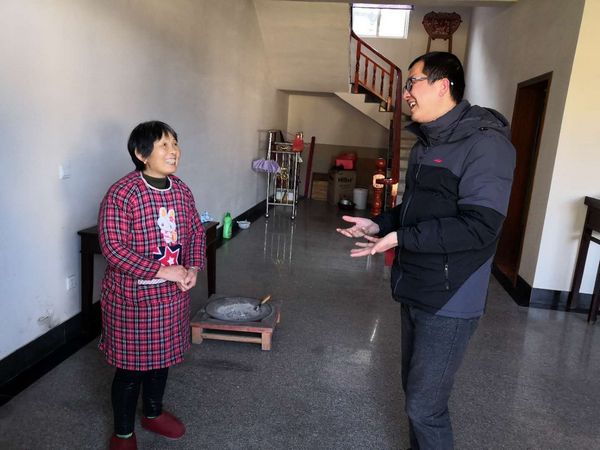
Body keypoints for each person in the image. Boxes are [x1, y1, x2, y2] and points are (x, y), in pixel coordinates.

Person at [337, 52, 515, 450]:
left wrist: (400, 238)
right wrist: (380, 224)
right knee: (415, 394)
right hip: (416, 283)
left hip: (452, 294)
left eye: (411, 82)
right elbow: (415, 209)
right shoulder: (426, 143)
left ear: (442, 86)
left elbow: (480, 226)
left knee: (424, 407)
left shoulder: (486, 145)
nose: (405, 93)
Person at [98, 121, 206, 450]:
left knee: (161, 360)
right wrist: (164, 270)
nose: (173, 151)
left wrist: (192, 268)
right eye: (163, 145)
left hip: (171, 299)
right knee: (130, 371)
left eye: (175, 143)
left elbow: (195, 232)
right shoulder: (123, 193)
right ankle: (123, 433)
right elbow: (114, 249)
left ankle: (153, 413)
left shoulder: (181, 190)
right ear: (141, 154)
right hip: (132, 301)